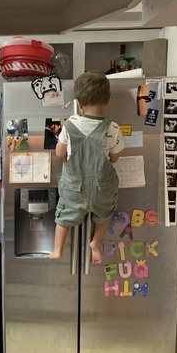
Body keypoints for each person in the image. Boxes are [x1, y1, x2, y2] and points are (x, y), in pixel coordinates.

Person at [48, 71, 124, 263]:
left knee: (63, 218)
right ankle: (95, 243)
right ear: (108, 101)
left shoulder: (70, 125)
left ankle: (57, 250)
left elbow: (59, 153)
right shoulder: (113, 128)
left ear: (79, 104)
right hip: (102, 189)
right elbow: (114, 158)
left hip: (74, 189)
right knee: (104, 216)